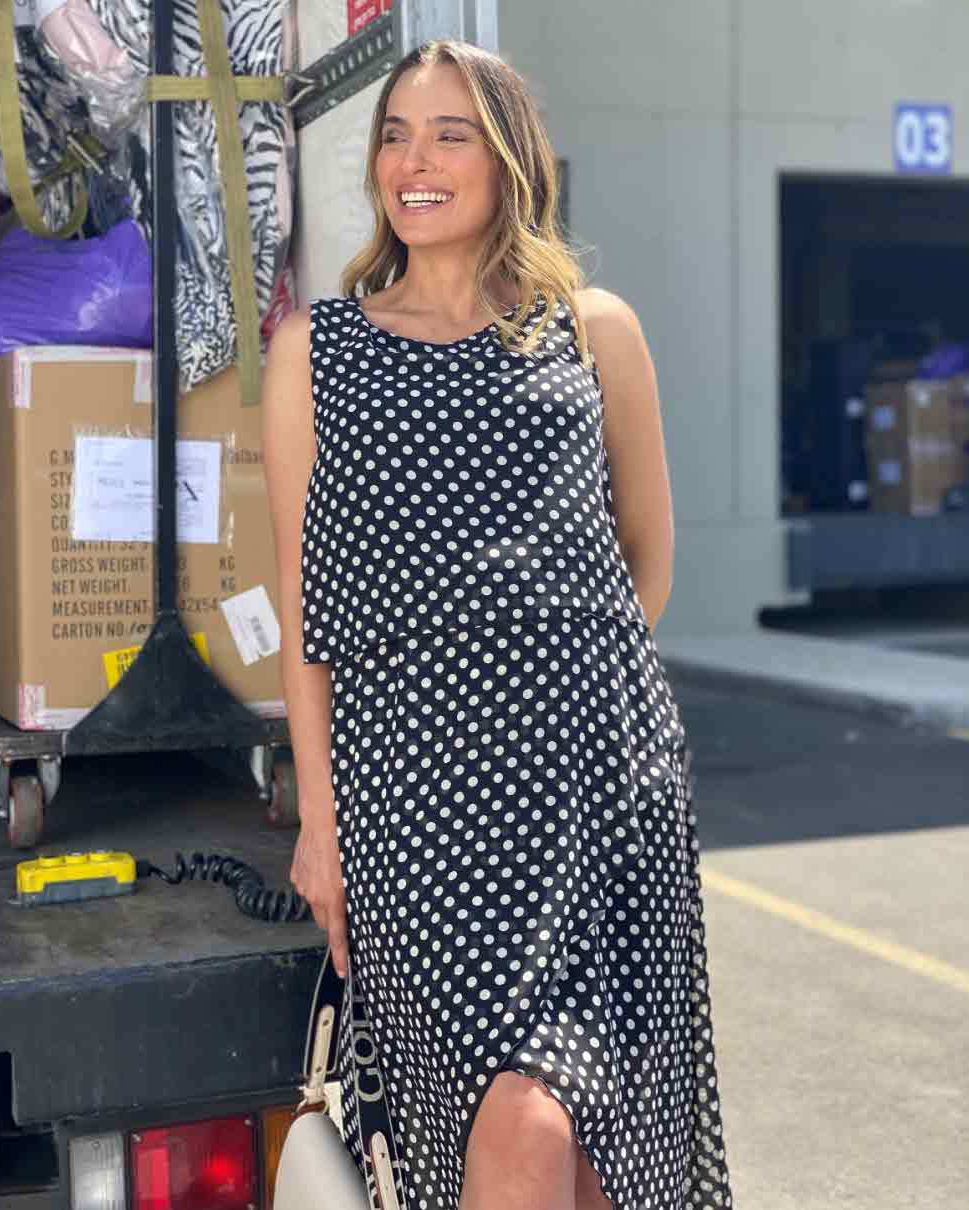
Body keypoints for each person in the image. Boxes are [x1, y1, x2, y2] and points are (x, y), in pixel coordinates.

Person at [262, 37, 734, 1210]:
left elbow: (644, 562)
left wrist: (551, 674)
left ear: (510, 157)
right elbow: (304, 607)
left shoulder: (593, 328)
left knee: (604, 1159)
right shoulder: (315, 353)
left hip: (594, 801)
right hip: (421, 810)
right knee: (515, 1126)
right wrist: (319, 821)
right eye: (394, 136)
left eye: (447, 136)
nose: (412, 163)